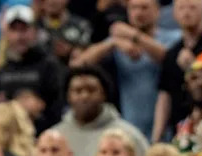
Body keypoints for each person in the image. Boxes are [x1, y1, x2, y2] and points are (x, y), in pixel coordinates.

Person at [73, 0, 181, 139]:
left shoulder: (173, 37)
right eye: (134, 8)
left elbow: (169, 59)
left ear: (157, 11)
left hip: (168, 125)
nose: (139, 13)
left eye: (144, 7)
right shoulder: (121, 42)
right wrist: (112, 43)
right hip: (130, 126)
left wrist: (135, 36)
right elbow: (79, 65)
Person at [52, 66, 149, 156]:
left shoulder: (129, 135)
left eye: (91, 90)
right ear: (68, 96)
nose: (85, 96)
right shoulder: (53, 138)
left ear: (103, 94)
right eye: (78, 91)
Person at [0, 6, 64, 133]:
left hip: (43, 135)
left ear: (34, 32)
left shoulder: (49, 66)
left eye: (24, 30)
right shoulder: (2, 70)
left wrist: (40, 111)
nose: (19, 36)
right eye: (14, 30)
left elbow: (59, 107)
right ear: (6, 34)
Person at [153, 0, 202, 142]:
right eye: (181, 8)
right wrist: (156, 137)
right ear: (174, 13)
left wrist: (193, 67)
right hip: (176, 130)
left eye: (192, 7)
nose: (186, 12)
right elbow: (164, 94)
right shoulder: (172, 52)